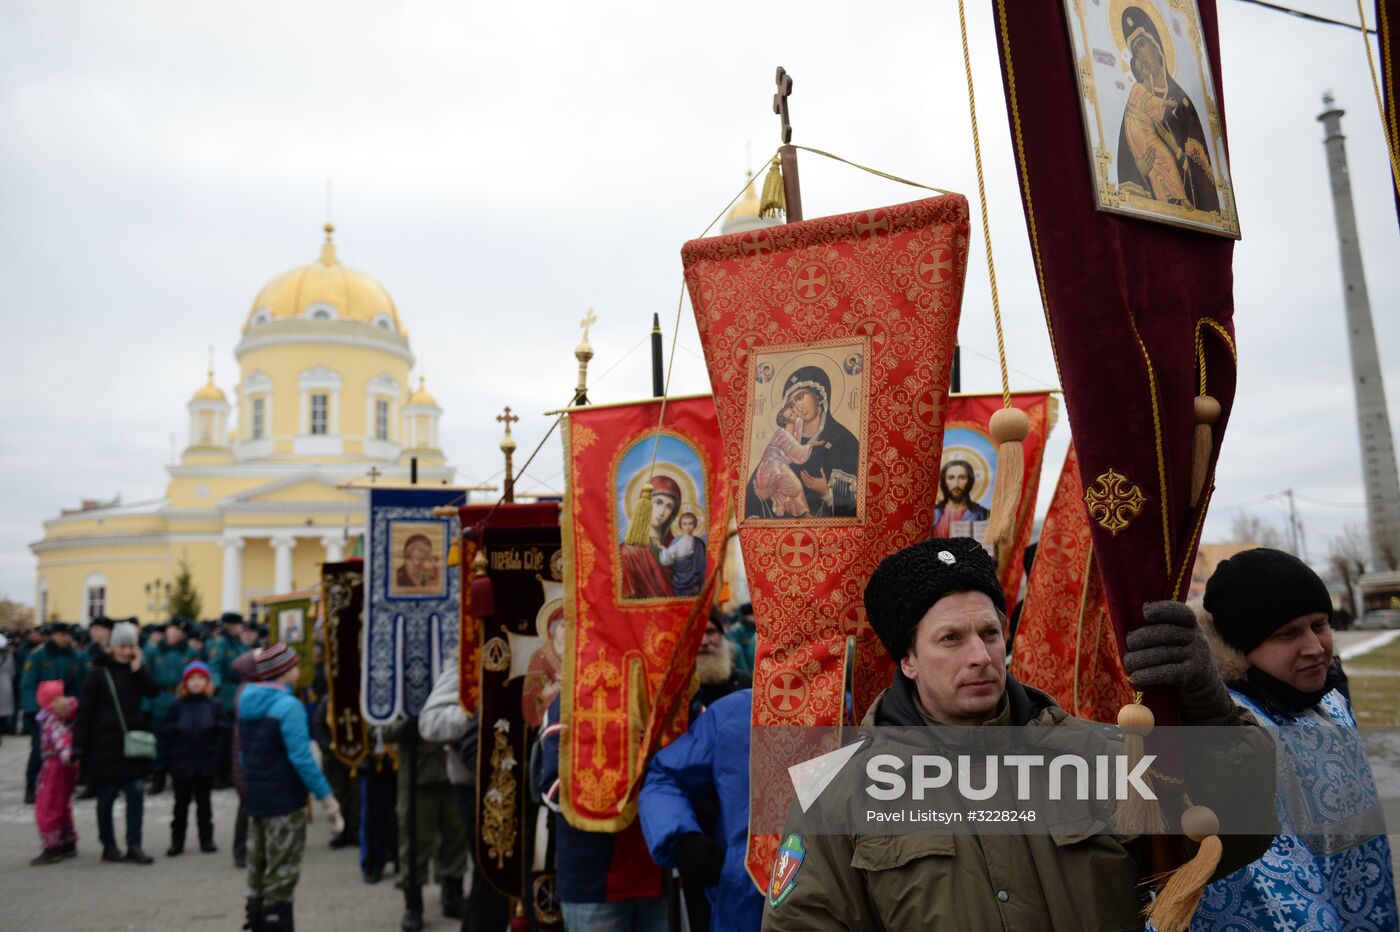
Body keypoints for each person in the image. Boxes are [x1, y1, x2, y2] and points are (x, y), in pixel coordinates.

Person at [762, 537, 1276, 930]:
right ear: (909, 660)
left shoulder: (1100, 756)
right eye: (950, 639)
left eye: (990, 633)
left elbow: (1233, 837)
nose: (980, 656)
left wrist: (1209, 708)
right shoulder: (839, 792)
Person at [1191, 548, 1397, 929]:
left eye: (1319, 625)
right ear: (1242, 646)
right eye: (1288, 633)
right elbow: (1266, 887)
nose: (1316, 647)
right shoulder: (1233, 729)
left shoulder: (1329, 700)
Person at [239, 642, 344, 931]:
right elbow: (302, 759)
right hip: (284, 802)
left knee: (258, 868)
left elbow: (244, 754)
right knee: (281, 874)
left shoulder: (247, 700)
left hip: (257, 800)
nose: (298, 671)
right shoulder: (289, 706)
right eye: (295, 666)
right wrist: (327, 798)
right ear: (284, 671)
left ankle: (256, 920)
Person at [538, 693, 665, 930]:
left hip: (655, 872)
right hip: (592, 878)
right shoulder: (569, 697)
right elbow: (553, 785)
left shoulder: (656, 688)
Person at [641, 689, 761, 932]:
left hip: (831, 901)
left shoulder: (845, 714)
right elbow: (664, 776)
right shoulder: (736, 712)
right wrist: (683, 838)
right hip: (745, 900)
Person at [419, 645, 509, 932]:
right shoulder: (469, 653)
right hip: (476, 784)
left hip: (519, 784)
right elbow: (430, 721)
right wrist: (489, 712)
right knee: (491, 880)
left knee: (504, 884)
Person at [1115, 5, 1219, 212]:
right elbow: (1126, 163)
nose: (1140, 55)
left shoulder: (1183, 104)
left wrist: (1178, 152)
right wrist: (1139, 168)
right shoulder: (1135, 104)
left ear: (1156, 44)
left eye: (1141, 44)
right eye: (1134, 51)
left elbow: (1205, 177)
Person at [73, 621, 159, 864]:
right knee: (106, 797)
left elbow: (153, 691)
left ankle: (134, 845)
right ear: (112, 647)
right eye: (122, 646)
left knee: (136, 792)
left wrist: (139, 668)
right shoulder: (97, 673)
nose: (127, 650)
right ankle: (108, 846)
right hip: (104, 745)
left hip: (131, 744)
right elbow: (85, 711)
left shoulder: (135, 671)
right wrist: (78, 745)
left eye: (131, 646)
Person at [390, 709, 469, 932]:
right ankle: (413, 904)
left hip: (453, 766)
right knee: (414, 838)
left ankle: (453, 894)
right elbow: (376, 722)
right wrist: (398, 729)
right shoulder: (402, 688)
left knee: (456, 833)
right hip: (417, 773)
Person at [746, 367, 860, 518]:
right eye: (791, 405)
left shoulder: (844, 441)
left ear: (818, 393)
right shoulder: (786, 439)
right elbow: (752, 505)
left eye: (800, 397)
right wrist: (764, 494)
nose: (798, 408)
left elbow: (857, 510)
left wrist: (826, 493)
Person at [161, 660, 229, 856]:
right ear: (185, 683)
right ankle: (177, 842)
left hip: (205, 762)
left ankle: (206, 839)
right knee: (180, 805)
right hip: (181, 762)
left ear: (207, 682)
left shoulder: (213, 704)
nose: (196, 682)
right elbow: (164, 728)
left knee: (204, 804)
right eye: (192, 679)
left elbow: (226, 726)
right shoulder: (177, 705)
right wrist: (177, 728)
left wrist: (214, 726)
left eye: (200, 678)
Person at [21, 622, 83, 805]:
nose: (66, 638)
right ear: (53, 635)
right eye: (62, 634)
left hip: (65, 712)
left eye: (68, 635)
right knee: (39, 750)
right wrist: (33, 710)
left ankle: (60, 786)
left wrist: (74, 706)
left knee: (64, 750)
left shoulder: (73, 656)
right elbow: (28, 684)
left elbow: (77, 684)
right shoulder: (39, 655)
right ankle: (32, 786)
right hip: (42, 713)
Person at [30, 680, 80, 865]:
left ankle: (53, 846)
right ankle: (67, 839)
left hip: (56, 766)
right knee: (61, 803)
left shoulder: (51, 719)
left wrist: (68, 756)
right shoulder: (65, 713)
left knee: (48, 805)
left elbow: (61, 739)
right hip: (64, 766)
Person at [145, 618, 196, 794]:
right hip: (159, 699)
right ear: (167, 631)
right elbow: (147, 678)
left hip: (182, 699)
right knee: (160, 742)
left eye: (179, 631)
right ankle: (158, 777)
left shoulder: (190, 651)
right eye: (172, 629)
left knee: (181, 743)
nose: (175, 633)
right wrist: (146, 705)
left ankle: (179, 778)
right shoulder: (154, 651)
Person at [620, 474, 684, 599]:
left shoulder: (676, 546)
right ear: (645, 504)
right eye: (658, 503)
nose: (662, 512)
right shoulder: (627, 551)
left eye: (669, 507)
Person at [753, 402, 822, 518]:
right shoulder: (783, 435)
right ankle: (806, 515)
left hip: (771, 468)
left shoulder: (789, 431)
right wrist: (811, 444)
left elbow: (798, 422)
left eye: (793, 412)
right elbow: (799, 453)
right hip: (773, 468)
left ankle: (804, 515)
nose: (795, 414)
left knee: (790, 493)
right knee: (796, 488)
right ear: (787, 421)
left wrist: (797, 409)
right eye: (791, 414)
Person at [208, 612, 251, 787]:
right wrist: (216, 688)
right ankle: (219, 773)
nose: (240, 629)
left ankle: (232, 772)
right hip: (225, 694)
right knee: (223, 738)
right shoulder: (220, 644)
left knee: (237, 738)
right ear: (231, 626)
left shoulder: (242, 645)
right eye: (238, 625)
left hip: (242, 692)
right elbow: (215, 667)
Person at [931, 459, 990, 538]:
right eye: (951, 477)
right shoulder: (933, 514)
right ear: (944, 481)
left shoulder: (982, 514)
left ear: (970, 481)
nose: (956, 484)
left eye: (962, 477)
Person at [660, 511, 708, 597]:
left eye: (690, 523)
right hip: (680, 579)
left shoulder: (699, 542)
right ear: (680, 525)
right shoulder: (677, 541)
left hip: (695, 580)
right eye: (685, 524)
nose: (687, 527)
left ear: (695, 525)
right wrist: (664, 551)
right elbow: (667, 558)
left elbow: (703, 563)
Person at [0, 633, 16, 741]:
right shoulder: (8, 655)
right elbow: (12, 671)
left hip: (4, 682)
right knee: (3, 711)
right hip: (6, 683)